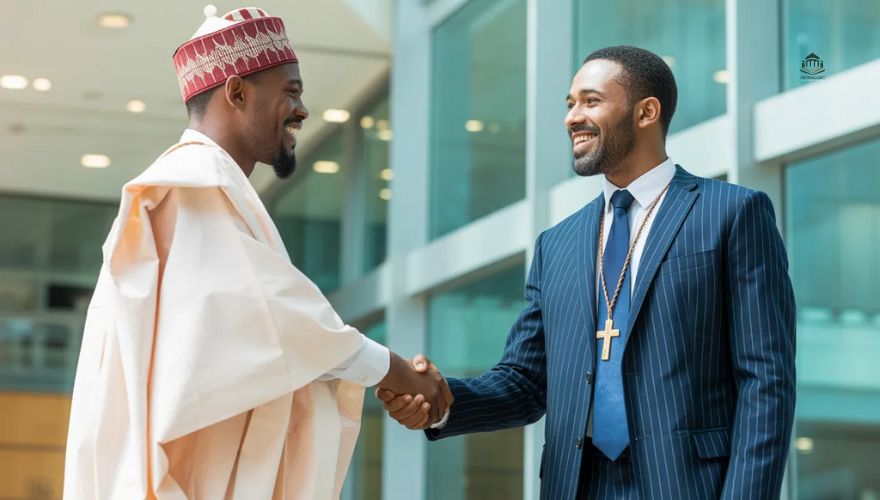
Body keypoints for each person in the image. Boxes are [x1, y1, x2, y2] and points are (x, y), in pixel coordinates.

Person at [63, 6, 448, 499]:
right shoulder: (190, 185)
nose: (303, 111)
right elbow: (266, 317)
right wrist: (390, 368)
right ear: (237, 92)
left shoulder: (208, 184)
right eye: (291, 92)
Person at [379, 45, 796, 499]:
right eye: (570, 103)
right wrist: (440, 401)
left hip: (692, 485)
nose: (572, 117)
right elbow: (524, 381)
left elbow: (766, 381)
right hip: (576, 485)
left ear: (646, 112)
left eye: (591, 101)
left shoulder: (730, 214)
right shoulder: (556, 245)